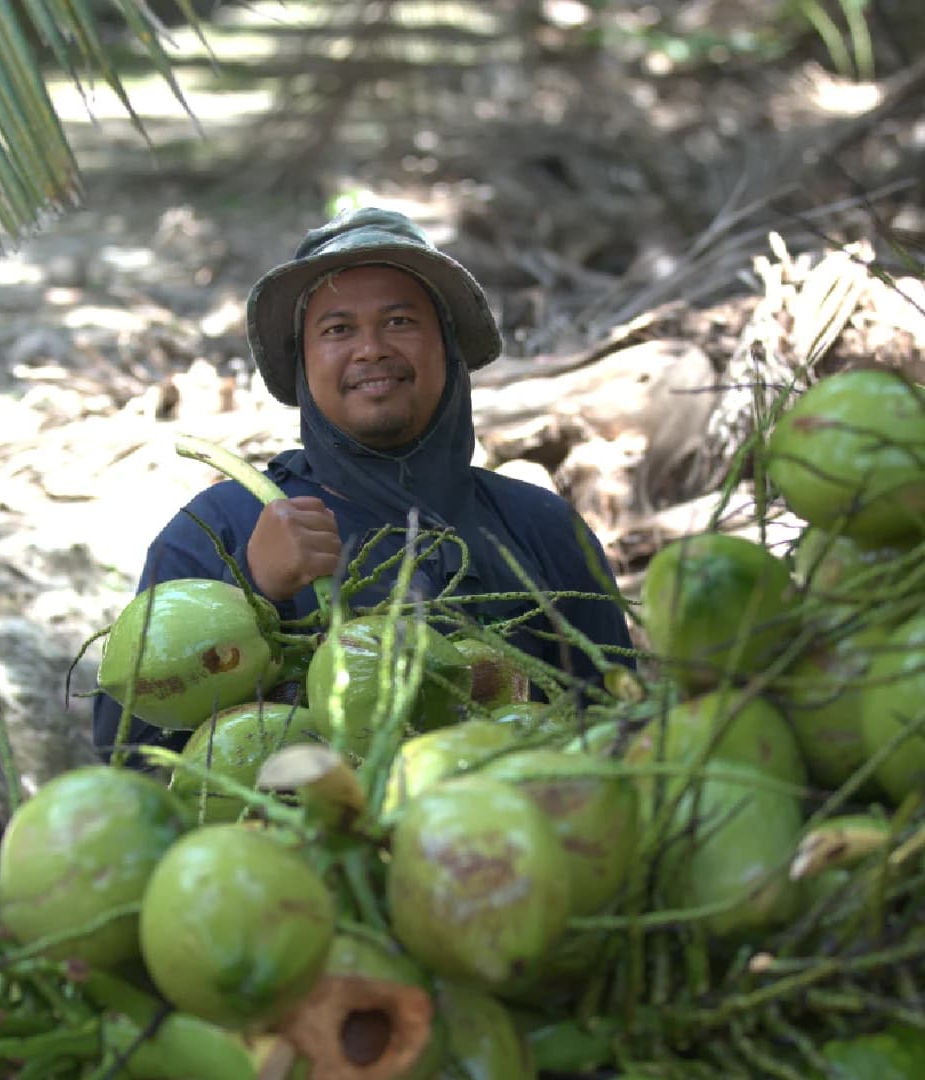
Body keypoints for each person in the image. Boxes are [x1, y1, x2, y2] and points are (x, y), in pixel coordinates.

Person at [92, 207, 636, 759]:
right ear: (303, 365)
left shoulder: (542, 528)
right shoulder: (217, 531)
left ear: (447, 348)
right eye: (338, 329)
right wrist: (251, 595)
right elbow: (129, 753)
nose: (371, 348)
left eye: (399, 322)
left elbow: (619, 732)